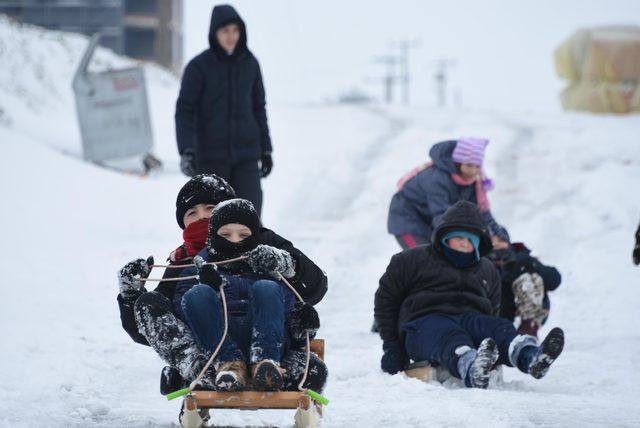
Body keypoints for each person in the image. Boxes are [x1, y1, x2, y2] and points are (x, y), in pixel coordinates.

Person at [117, 174, 327, 392]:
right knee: (155, 302)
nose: (201, 217)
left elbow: (313, 288)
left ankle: (270, 366)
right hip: (211, 345)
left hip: (268, 338)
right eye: (192, 213)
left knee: (268, 291)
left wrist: (286, 264)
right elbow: (159, 329)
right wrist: (131, 295)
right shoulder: (183, 261)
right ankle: (201, 371)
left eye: (209, 208)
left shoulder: (258, 240)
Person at [375, 201, 565, 388]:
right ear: (445, 236)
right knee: (448, 334)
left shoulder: (486, 270)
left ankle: (530, 356)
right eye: (459, 237)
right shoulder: (412, 260)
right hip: (424, 324)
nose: (465, 244)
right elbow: (386, 300)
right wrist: (392, 347)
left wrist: (493, 330)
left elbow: (493, 307)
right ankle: (470, 366)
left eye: (471, 240)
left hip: (470, 319)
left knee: (497, 327)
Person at [174, 199, 320, 391]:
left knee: (267, 287)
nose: (235, 240)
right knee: (197, 294)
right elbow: (181, 310)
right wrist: (207, 285)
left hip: (268, 340)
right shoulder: (198, 269)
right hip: (218, 341)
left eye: (243, 234)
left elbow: (285, 308)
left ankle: (265, 364)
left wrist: (302, 322)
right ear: (212, 237)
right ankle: (229, 364)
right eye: (225, 234)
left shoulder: (268, 269)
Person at [175, 4, 272, 216]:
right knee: (213, 221)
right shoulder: (199, 67)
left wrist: (266, 149)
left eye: (235, 30)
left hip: (246, 157)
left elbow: (259, 108)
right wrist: (187, 150)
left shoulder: (250, 64)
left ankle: (250, 252)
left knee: (249, 217)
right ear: (214, 33)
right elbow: (185, 110)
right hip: (211, 158)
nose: (231, 36)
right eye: (225, 31)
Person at [387, 138, 501, 250]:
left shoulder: (473, 182)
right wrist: (460, 236)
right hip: (408, 220)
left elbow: (477, 211)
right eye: (469, 165)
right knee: (424, 259)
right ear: (457, 164)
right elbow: (441, 213)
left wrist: (494, 234)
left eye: (477, 166)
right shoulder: (436, 179)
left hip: (431, 221)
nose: (473, 171)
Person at [487, 226, 562, 338]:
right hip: (499, 309)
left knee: (529, 277)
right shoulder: (483, 263)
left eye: (500, 240)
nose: (496, 244)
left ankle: (529, 329)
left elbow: (554, 280)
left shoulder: (523, 258)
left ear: (508, 242)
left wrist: (534, 266)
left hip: (525, 309)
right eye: (492, 241)